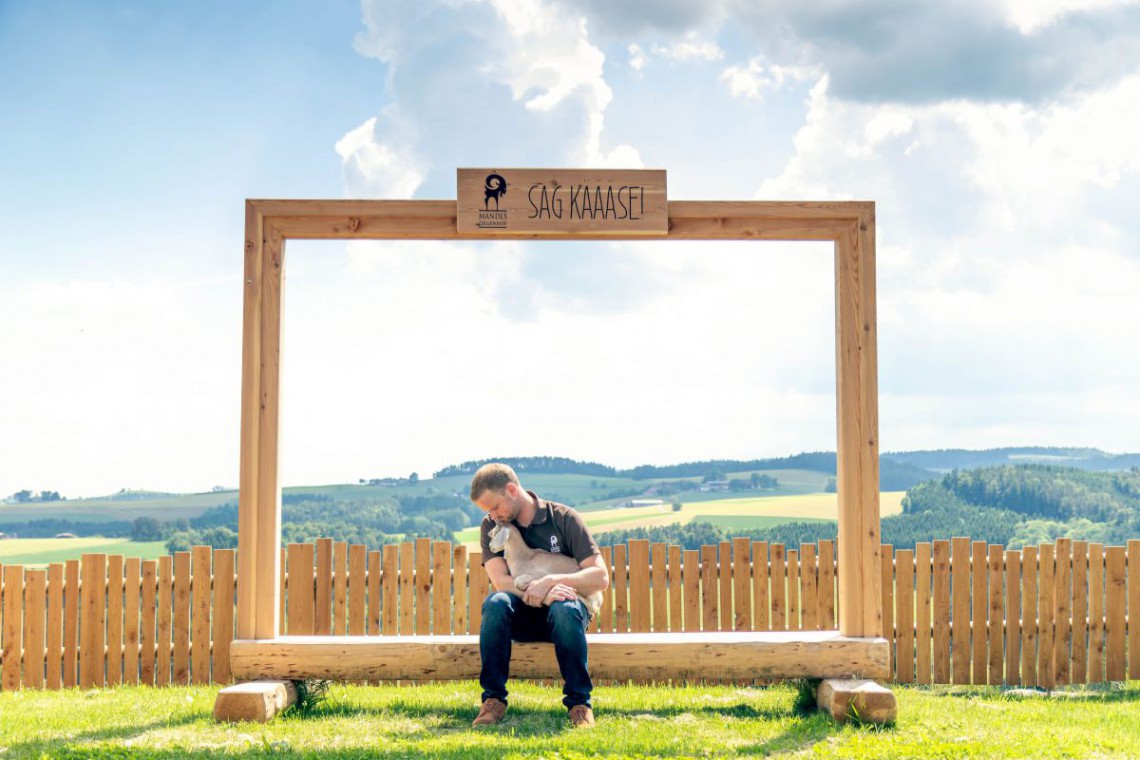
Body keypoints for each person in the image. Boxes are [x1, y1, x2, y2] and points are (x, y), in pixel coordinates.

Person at [470, 462, 609, 728]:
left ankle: (580, 705)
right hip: (523, 614)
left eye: (495, 506)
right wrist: (543, 594)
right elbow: (501, 582)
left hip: (566, 617)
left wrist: (552, 581)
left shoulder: (564, 518)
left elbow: (600, 577)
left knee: (565, 609)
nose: (493, 515)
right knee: (496, 603)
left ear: (511, 489)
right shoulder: (492, 525)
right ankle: (493, 701)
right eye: (488, 511)